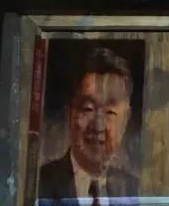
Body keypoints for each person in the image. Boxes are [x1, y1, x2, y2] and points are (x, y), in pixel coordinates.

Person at [37, 47, 139, 205]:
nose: (98, 125)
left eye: (110, 112)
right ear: (70, 114)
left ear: (125, 120)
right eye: (88, 109)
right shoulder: (38, 185)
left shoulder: (136, 190)